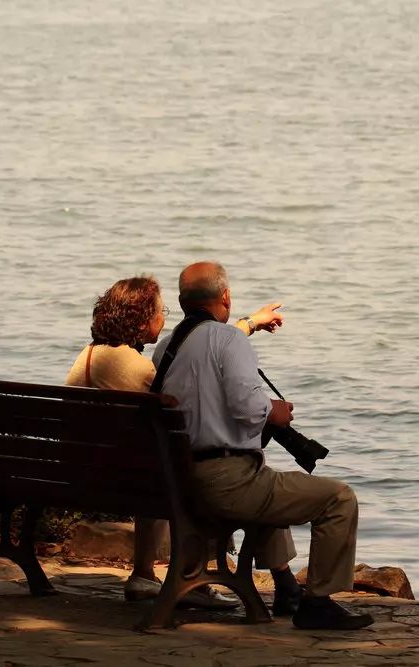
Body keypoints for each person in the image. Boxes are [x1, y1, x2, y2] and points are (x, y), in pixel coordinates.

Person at [151, 261, 374, 630]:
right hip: (225, 484)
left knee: (270, 483)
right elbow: (248, 405)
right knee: (339, 498)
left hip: (180, 481)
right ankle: (318, 602)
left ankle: (287, 589)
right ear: (225, 296)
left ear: (182, 300)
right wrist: (278, 412)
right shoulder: (229, 340)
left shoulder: (166, 349)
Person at [65, 275, 284, 609]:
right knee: (210, 468)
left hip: (87, 479)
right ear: (141, 319)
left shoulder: (86, 358)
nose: (164, 318)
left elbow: (195, 348)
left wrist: (248, 324)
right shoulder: (139, 370)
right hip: (142, 483)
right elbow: (195, 367)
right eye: (160, 310)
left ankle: (144, 574)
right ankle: (193, 577)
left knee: (169, 464)